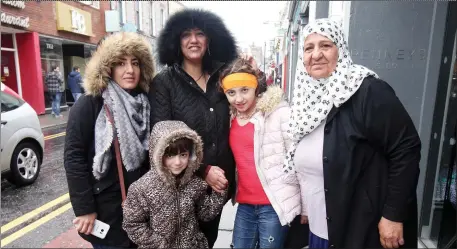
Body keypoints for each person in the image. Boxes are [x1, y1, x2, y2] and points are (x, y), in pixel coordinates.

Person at [285, 18, 421, 248]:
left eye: (325, 45)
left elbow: (406, 149)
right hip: (319, 231)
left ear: (341, 50)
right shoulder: (305, 104)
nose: (316, 54)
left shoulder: (366, 90)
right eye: (309, 48)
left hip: (360, 231)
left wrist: (393, 215)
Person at [149, 9, 239, 247]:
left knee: (209, 242)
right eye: (186, 35)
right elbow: (163, 138)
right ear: (176, 41)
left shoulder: (223, 79)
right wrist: (203, 170)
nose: (194, 40)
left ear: (210, 40)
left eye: (200, 34)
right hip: (183, 190)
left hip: (219, 189)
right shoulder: (164, 83)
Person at [64, 32, 155, 249]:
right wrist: (84, 208)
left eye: (135, 63)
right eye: (121, 63)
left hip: (144, 207)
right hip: (109, 209)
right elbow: (73, 158)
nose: (130, 70)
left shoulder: (146, 102)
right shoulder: (89, 104)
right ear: (108, 68)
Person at [219, 58, 301, 248]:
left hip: (274, 204)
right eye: (231, 93)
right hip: (245, 204)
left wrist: (305, 206)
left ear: (255, 87)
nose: (238, 99)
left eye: (244, 90)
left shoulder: (278, 113)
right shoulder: (229, 118)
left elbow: (297, 157)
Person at [122, 120, 227, 248]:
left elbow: (205, 213)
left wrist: (220, 191)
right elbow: (132, 225)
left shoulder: (195, 183)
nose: (177, 162)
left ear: (192, 154)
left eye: (183, 155)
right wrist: (160, 244)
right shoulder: (141, 188)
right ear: (158, 154)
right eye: (170, 155)